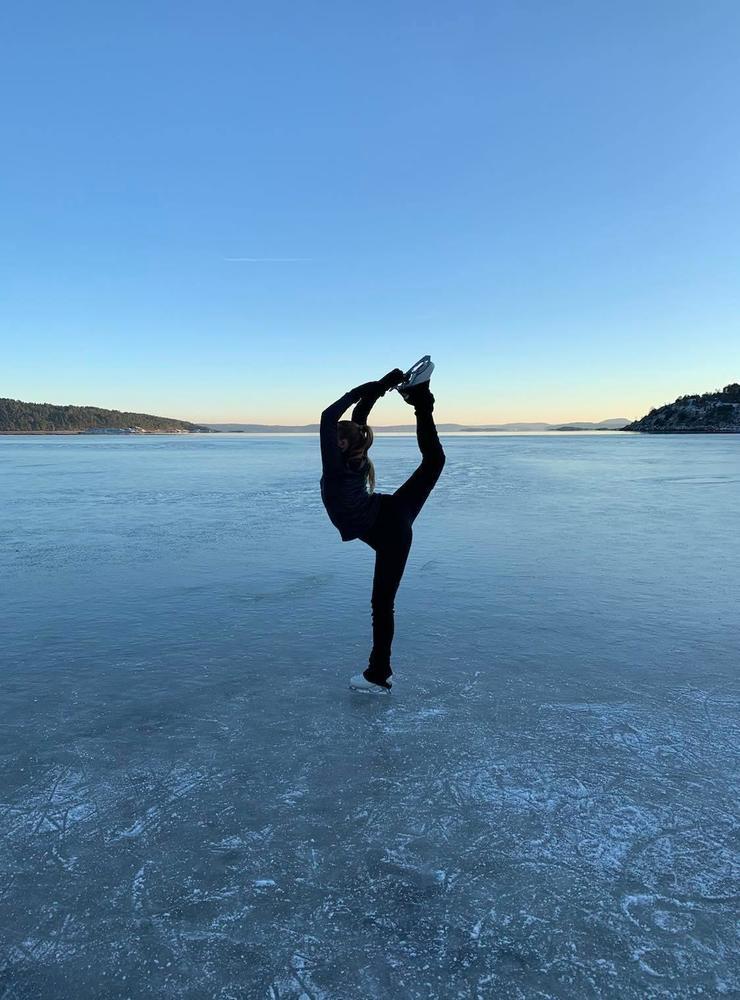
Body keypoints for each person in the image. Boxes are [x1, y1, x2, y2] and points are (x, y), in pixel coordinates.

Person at [319, 363, 446, 693]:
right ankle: (420, 397)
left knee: (382, 605)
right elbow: (360, 413)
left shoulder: (336, 469)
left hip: (392, 529)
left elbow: (328, 416)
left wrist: (369, 388)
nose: (328, 443)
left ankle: (378, 674)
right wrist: (382, 385)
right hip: (393, 513)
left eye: (334, 440)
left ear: (342, 445)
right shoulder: (355, 452)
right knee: (434, 462)